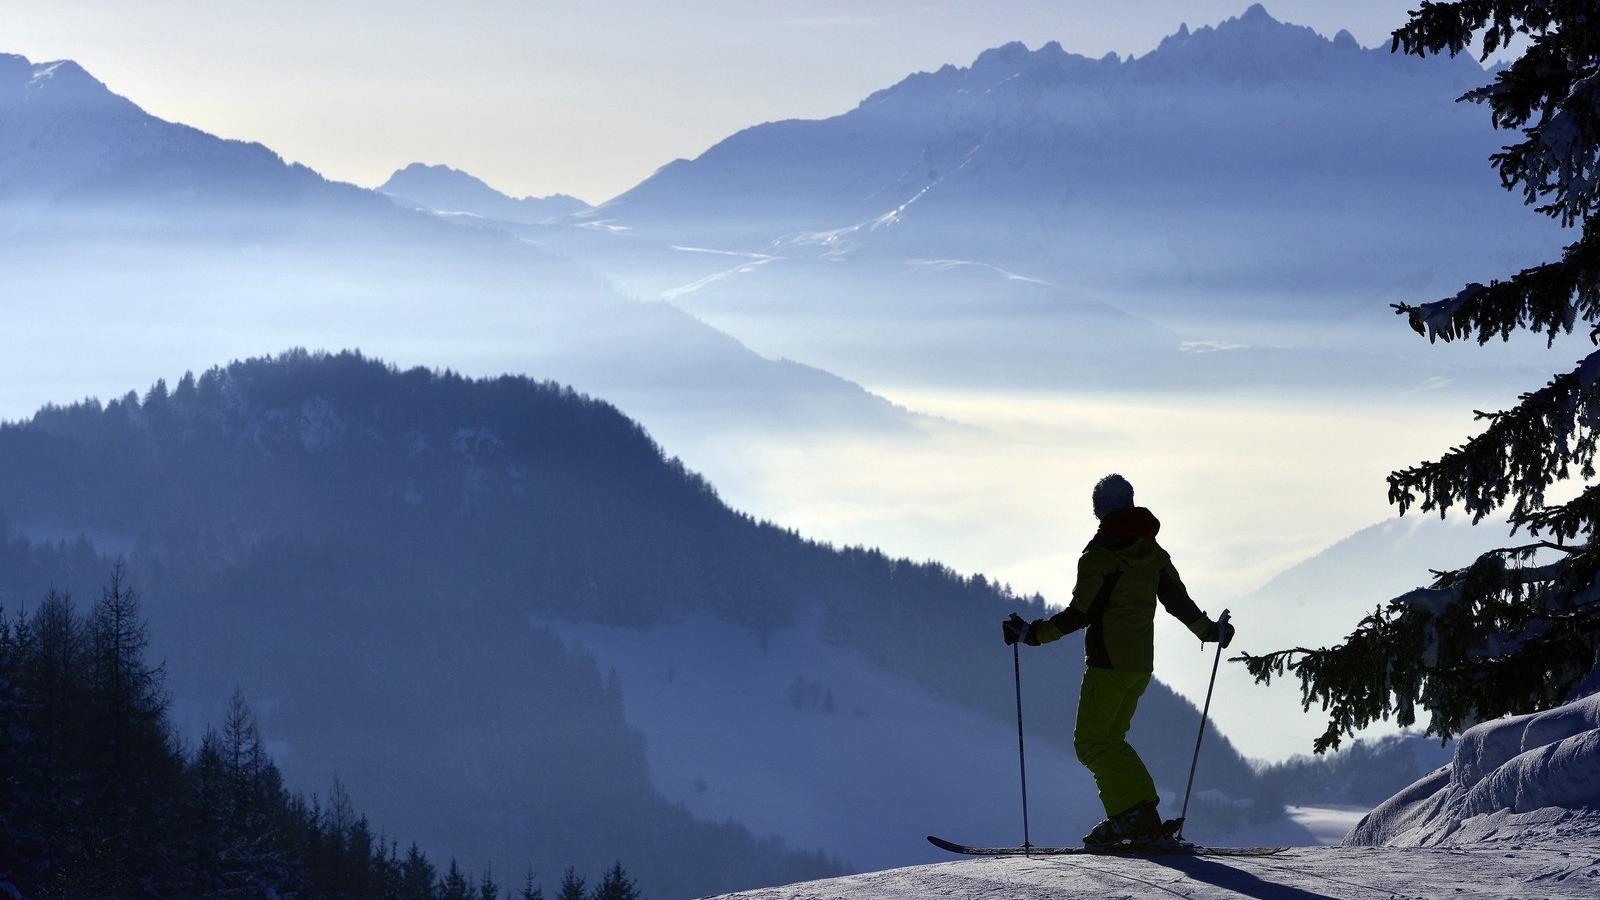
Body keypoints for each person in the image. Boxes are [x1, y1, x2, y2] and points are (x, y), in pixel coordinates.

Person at [1003, 473, 1234, 846]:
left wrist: (1032, 635)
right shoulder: (1153, 554)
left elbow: (1080, 613)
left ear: (1099, 510)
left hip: (1107, 664)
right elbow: (1177, 601)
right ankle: (1143, 813)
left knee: (1091, 743)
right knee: (1112, 739)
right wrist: (1211, 631)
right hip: (1141, 667)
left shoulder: (1100, 556)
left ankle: (1128, 819)